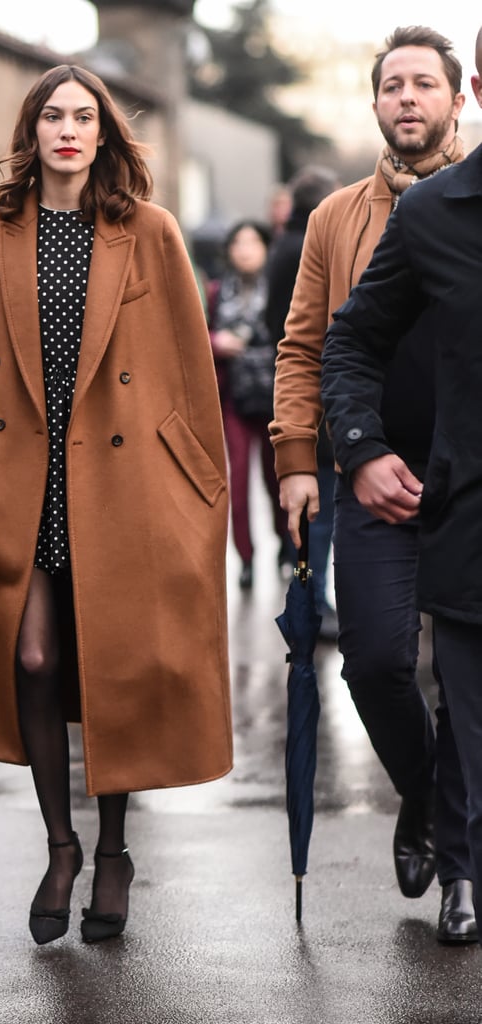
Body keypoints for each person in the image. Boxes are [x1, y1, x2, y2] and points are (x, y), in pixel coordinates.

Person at [0, 64, 233, 946]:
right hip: (21, 477)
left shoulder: (151, 231)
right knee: (32, 658)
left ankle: (113, 852)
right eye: (53, 115)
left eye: (83, 116)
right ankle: (60, 846)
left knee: (115, 662)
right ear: (33, 131)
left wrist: (201, 481)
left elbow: (186, 369)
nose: (68, 129)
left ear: (104, 133)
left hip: (121, 478)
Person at [270, 26, 476, 943]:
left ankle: (457, 855)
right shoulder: (338, 219)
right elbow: (311, 345)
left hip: (464, 477)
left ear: (455, 98)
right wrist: (310, 459)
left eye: (422, 85)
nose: (406, 99)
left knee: (463, 678)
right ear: (375, 103)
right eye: (391, 85)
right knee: (379, 658)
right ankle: (429, 793)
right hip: (378, 474)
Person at [265, 164, 341, 639]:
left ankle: (308, 598)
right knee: (318, 516)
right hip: (312, 399)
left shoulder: (281, 248)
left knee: (309, 514)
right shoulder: (305, 250)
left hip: (295, 394)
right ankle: (311, 603)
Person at [207, 218, 291, 589]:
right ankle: (245, 558)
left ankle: (287, 549)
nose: (245, 249)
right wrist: (216, 342)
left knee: (278, 479)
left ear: (265, 247)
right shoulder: (216, 290)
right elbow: (197, 333)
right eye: (238, 242)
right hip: (234, 397)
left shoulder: (280, 286)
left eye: (252, 242)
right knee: (235, 481)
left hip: (276, 397)